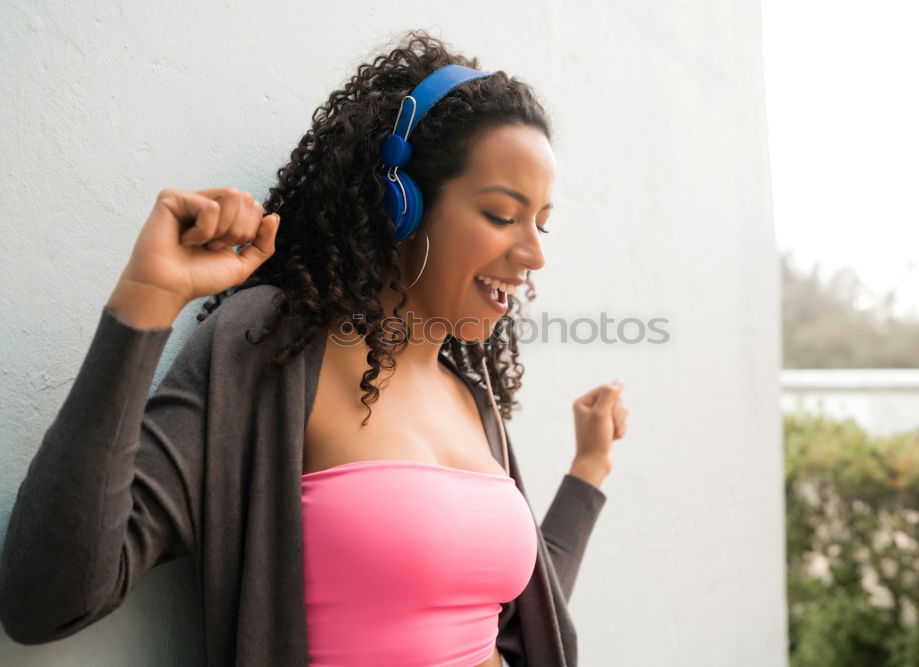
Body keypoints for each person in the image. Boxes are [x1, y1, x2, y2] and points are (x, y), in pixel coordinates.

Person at [0, 29, 628, 666]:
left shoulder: (472, 397)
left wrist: (589, 471)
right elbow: (46, 599)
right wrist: (146, 302)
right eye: (501, 215)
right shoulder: (272, 348)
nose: (535, 254)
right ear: (401, 203)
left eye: (541, 223)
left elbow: (525, 621)